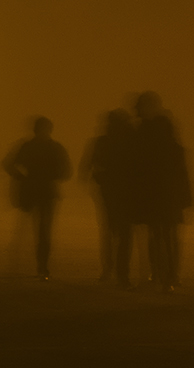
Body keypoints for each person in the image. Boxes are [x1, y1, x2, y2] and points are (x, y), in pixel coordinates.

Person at [133, 91, 191, 291]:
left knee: (160, 235)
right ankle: (168, 276)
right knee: (166, 235)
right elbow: (179, 166)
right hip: (165, 194)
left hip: (158, 193)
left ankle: (162, 275)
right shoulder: (165, 132)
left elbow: (142, 166)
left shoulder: (149, 132)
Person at [3, 116, 71, 280]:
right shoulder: (55, 148)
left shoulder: (28, 146)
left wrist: (21, 177)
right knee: (43, 230)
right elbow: (66, 171)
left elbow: (9, 164)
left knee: (28, 228)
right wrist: (53, 177)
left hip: (31, 192)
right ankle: (41, 266)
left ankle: (25, 262)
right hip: (46, 192)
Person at [82, 108, 138, 287]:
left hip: (108, 192)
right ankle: (122, 273)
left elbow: (89, 164)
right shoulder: (130, 140)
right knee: (125, 233)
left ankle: (108, 268)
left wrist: (97, 179)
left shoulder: (102, 141)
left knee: (109, 230)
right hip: (127, 192)